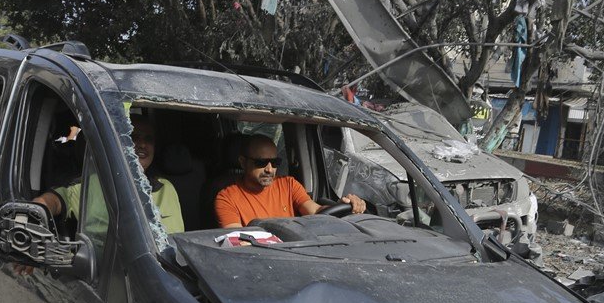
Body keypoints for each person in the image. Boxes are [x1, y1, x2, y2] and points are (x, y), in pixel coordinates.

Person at [33, 115, 184, 234]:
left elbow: (176, 245)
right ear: (119, 143)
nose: (142, 144)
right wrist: (34, 221)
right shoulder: (90, 185)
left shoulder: (165, 188)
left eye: (148, 139)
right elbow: (51, 201)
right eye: (134, 137)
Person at [215, 134, 366, 228]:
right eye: (261, 163)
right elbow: (238, 242)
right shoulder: (226, 198)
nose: (270, 169)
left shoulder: (288, 184)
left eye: (275, 163)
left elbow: (315, 211)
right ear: (243, 162)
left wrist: (343, 206)